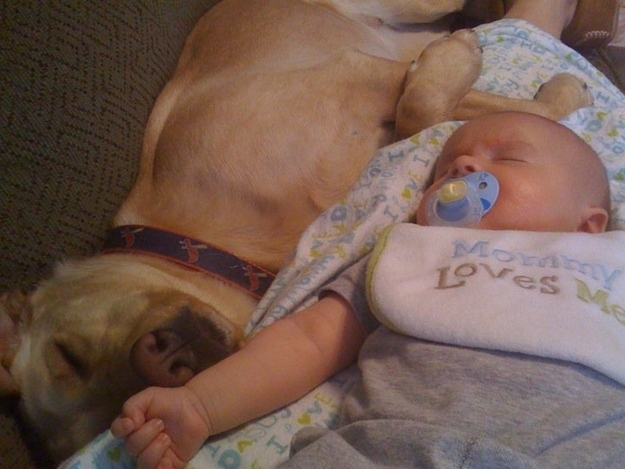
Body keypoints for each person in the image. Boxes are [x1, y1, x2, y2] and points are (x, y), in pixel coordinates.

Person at [110, 0, 619, 467]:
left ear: (589, 225)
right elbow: (310, 339)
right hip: (386, 450)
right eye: (443, 170)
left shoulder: (611, 260)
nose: (463, 163)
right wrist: (200, 406)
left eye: (506, 158)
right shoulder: (406, 252)